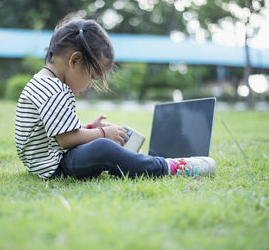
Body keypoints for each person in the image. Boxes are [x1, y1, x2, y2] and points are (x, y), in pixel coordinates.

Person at [15, 18, 215, 179]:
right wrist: (102, 133)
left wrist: (86, 129)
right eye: (92, 76)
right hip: (55, 167)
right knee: (104, 147)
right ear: (74, 60)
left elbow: (55, 131)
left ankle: (139, 161)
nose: (89, 84)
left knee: (102, 145)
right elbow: (66, 139)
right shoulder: (55, 90)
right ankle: (171, 167)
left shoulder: (40, 83)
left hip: (41, 164)